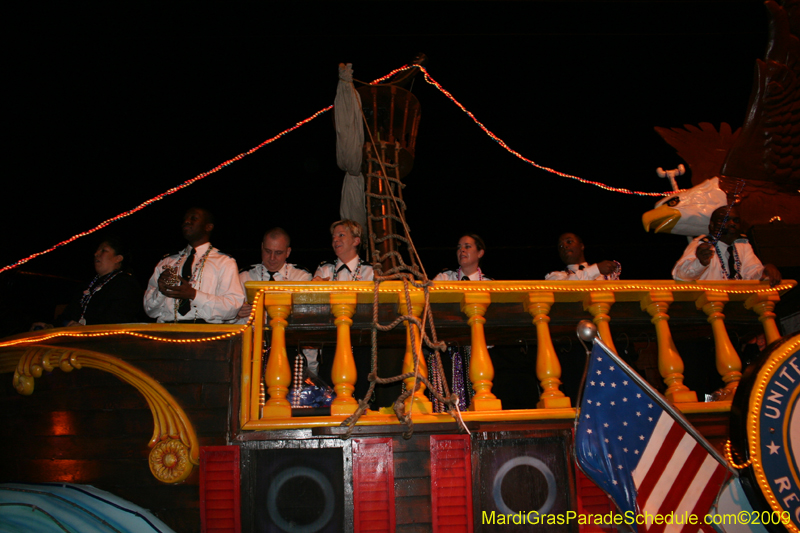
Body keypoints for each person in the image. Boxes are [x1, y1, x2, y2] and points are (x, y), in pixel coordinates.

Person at [144, 207, 245, 323]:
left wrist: (194, 295)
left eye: (194, 218)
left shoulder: (223, 262)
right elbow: (149, 311)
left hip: (205, 333)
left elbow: (232, 308)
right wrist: (161, 292)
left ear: (208, 227)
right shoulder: (167, 262)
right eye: (185, 219)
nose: (186, 221)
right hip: (168, 331)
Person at [34, 237, 144, 328]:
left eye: (103, 250)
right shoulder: (89, 284)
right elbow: (70, 313)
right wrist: (50, 325)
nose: (96, 254)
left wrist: (86, 327)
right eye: (97, 250)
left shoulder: (126, 284)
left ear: (118, 258)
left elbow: (118, 320)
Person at [672, 205, 781, 286]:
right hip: (709, 305)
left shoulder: (742, 244)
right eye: (726, 220)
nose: (732, 223)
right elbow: (680, 275)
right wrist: (700, 263)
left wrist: (765, 270)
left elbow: (751, 273)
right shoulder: (702, 244)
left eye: (736, 220)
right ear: (712, 226)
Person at [235, 228, 312, 323]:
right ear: (262, 247)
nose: (272, 258)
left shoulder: (301, 277)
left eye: (278, 253)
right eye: (268, 251)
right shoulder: (244, 277)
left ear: (288, 252)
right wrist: (235, 314)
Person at [545, 232, 621, 280]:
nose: (565, 246)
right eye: (560, 246)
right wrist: (597, 269)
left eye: (569, 242)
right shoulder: (555, 277)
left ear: (581, 246)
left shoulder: (604, 275)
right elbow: (570, 285)